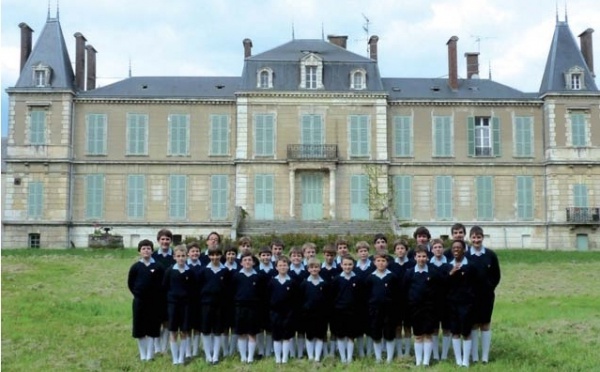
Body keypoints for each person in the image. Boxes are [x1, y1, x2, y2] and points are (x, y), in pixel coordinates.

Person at [467, 226, 501, 364]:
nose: (476, 240)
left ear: (482, 238)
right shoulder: (466, 255)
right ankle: (474, 357)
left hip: (486, 296)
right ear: (470, 239)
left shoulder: (490, 255)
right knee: (474, 325)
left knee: (485, 324)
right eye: (474, 237)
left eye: (478, 237)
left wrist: (489, 287)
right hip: (470, 297)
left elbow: (496, 275)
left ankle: (485, 357)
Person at [128, 239, 165, 361]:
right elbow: (130, 283)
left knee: (152, 328)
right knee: (140, 328)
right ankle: (142, 354)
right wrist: (138, 294)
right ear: (139, 251)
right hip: (139, 302)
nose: (146, 250)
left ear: (152, 250)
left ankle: (150, 354)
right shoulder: (135, 267)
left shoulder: (158, 266)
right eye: (143, 248)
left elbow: (163, 283)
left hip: (154, 303)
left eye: (148, 248)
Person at [404, 245, 441, 366]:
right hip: (415, 309)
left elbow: (437, 290)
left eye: (424, 256)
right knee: (418, 335)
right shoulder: (409, 273)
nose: (421, 259)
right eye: (419, 256)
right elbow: (405, 290)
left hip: (429, 309)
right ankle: (418, 360)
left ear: (428, 258)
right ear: (414, 257)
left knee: (428, 335)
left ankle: (426, 361)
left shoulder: (433, 272)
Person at [197, 247, 231, 365]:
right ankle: (208, 355)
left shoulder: (225, 271)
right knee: (206, 330)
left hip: (220, 305)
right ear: (209, 256)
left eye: (217, 255)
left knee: (218, 331)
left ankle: (215, 356)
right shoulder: (203, 271)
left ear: (221, 256)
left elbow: (228, 289)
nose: (215, 258)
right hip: (206, 305)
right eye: (212, 255)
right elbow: (198, 288)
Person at [232, 251, 267, 363]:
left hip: (254, 308)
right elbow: (232, 292)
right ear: (241, 263)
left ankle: (250, 357)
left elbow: (262, 293)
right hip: (240, 307)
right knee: (241, 333)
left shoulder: (258, 277)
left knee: (252, 333)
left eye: (250, 260)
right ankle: (243, 356)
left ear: (253, 263)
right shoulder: (237, 276)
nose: (247, 262)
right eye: (245, 260)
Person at [162, 245, 194, 365]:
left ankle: (182, 357)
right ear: (174, 257)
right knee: (173, 331)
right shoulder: (170, 271)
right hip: (173, 305)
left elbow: (193, 289)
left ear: (187, 257)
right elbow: (165, 287)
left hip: (185, 305)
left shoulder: (189, 272)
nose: (181, 258)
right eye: (178, 256)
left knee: (184, 331)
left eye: (183, 256)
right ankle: (175, 358)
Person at [365, 253, 399, 363]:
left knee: (389, 334)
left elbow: (396, 294)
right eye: (378, 261)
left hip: (389, 310)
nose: (381, 263)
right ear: (374, 263)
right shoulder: (370, 277)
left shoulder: (392, 276)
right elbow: (367, 294)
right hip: (375, 310)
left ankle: (389, 358)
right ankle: (378, 357)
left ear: (387, 263)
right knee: (376, 334)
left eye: (383, 261)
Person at [447, 239, 476, 367]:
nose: (456, 250)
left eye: (459, 247)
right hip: (452, 304)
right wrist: (450, 273)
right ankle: (458, 360)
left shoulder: (471, 266)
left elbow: (477, 285)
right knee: (455, 331)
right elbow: (443, 284)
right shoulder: (448, 266)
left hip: (467, 304)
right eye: (454, 248)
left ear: (464, 250)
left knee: (466, 332)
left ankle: (466, 361)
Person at [330, 255, 361, 364]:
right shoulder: (337, 279)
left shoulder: (357, 279)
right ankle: (343, 358)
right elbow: (332, 296)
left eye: (350, 264)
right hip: (339, 311)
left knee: (351, 336)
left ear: (354, 265)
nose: (347, 267)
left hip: (353, 312)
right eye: (345, 264)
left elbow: (360, 297)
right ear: (341, 265)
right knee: (341, 335)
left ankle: (349, 358)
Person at [268, 256, 299, 364]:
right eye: (280, 265)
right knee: (276, 336)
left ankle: (285, 358)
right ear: (276, 267)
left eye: (285, 265)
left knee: (287, 336)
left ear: (288, 267)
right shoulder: (272, 282)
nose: (282, 267)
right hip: (275, 313)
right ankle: (278, 358)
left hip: (288, 313)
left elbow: (296, 299)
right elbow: (268, 297)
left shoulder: (292, 282)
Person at [299, 258, 329, 362]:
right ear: (308, 269)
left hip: (321, 315)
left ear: (320, 268)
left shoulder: (324, 284)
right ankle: (311, 356)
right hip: (308, 314)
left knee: (320, 335)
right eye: (311, 267)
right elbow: (301, 299)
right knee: (310, 336)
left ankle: (317, 357)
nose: (314, 269)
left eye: (316, 267)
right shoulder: (304, 284)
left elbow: (327, 299)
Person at [388, 238, 414, 358]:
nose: (400, 251)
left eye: (402, 248)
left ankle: (407, 352)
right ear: (394, 251)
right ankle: (399, 352)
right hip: (395, 301)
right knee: (397, 327)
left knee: (408, 327)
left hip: (409, 300)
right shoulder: (391, 266)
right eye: (397, 248)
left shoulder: (412, 264)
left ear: (406, 250)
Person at [151, 228, 175, 354]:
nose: (165, 242)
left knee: (167, 321)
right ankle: (156, 347)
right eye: (163, 239)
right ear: (158, 240)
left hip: (170, 294)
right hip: (156, 294)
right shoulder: (153, 256)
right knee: (156, 321)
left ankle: (165, 347)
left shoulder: (176, 256)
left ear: (171, 241)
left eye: (167, 239)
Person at [429, 239, 452, 361]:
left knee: (447, 328)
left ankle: (444, 354)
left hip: (446, 301)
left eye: (440, 247)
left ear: (443, 249)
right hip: (432, 301)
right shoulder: (428, 265)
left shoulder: (449, 264)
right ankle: (435, 354)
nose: (438, 249)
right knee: (434, 328)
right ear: (432, 250)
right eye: (435, 247)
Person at [353, 241, 373, 358]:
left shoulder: (373, 266)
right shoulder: (353, 267)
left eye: (365, 251)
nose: (363, 253)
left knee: (370, 328)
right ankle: (360, 351)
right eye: (361, 251)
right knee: (359, 328)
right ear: (357, 253)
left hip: (370, 302)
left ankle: (370, 351)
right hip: (358, 303)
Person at [186, 241, 203, 358]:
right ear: (188, 253)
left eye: (197, 251)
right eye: (192, 251)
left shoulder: (203, 267)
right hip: (186, 301)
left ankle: (195, 350)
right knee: (187, 327)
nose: (195, 253)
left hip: (200, 301)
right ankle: (187, 351)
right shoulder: (184, 266)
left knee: (197, 327)